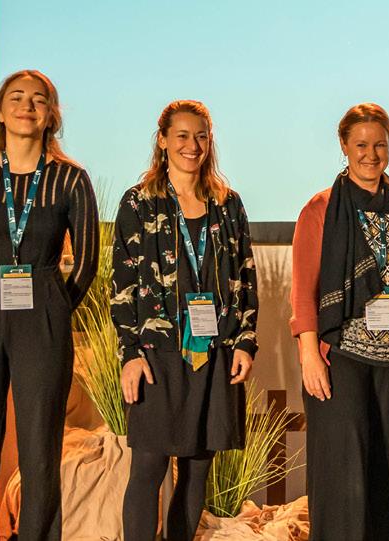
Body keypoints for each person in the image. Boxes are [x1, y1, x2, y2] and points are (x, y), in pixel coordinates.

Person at [0, 69, 99, 541]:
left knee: (40, 450)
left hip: (44, 311)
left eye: (38, 100)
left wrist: (53, 307)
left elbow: (88, 261)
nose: (26, 107)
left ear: (51, 115)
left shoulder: (71, 179)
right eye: (16, 98)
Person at [112, 99, 259, 541]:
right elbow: (121, 286)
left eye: (200, 136)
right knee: (148, 467)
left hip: (214, 354)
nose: (191, 145)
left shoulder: (227, 204)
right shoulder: (139, 203)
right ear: (162, 140)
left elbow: (246, 278)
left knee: (197, 470)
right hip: (156, 357)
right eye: (181, 135)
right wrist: (130, 354)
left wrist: (245, 343)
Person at [289, 103, 389, 541]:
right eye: (361, 145)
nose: (371, 154)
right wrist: (309, 354)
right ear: (344, 146)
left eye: (379, 145)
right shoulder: (321, 208)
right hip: (340, 360)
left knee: (385, 476)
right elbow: (304, 290)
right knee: (343, 479)